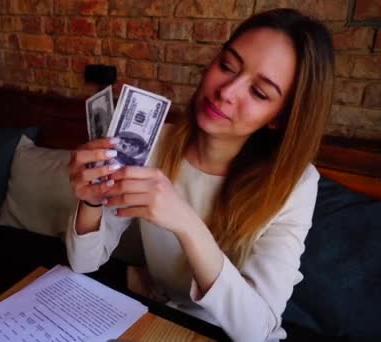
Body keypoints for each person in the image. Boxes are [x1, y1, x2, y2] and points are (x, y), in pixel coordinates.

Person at [66, 8, 334, 342]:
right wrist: (89, 201)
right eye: (227, 66)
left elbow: (258, 331)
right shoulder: (152, 143)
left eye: (259, 92)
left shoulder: (295, 184)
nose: (227, 91)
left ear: (278, 118)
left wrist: (185, 223)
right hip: (155, 318)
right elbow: (83, 262)